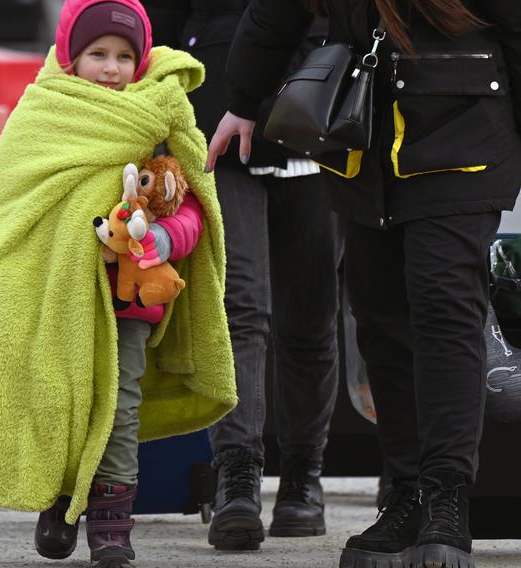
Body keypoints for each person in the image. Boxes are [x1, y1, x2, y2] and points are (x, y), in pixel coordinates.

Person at [205, 0, 521, 567]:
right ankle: (404, 494)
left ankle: (446, 500)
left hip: (465, 134)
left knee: (444, 314)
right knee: (379, 320)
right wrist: (244, 103)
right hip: (366, 139)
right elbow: (277, 9)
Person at [0, 1, 237, 567]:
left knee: (119, 410)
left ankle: (112, 523)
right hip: (55, 301)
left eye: (124, 56)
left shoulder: (160, 117)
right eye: (98, 55)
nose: (112, 68)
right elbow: (10, 208)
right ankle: (62, 496)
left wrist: (166, 240)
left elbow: (192, 208)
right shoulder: (44, 114)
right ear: (71, 58)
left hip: (129, 302)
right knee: (60, 399)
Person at [143, 0, 346, 549]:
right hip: (216, 125)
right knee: (240, 306)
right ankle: (238, 476)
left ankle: (304, 479)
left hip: (317, 114)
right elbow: (156, 31)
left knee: (310, 314)